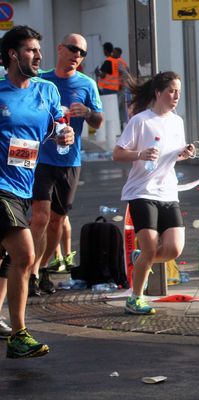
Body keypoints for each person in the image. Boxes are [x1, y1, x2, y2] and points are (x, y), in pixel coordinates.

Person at [0, 25, 74, 358]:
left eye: (39, 50)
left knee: (6, 261)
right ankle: (19, 335)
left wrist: (64, 134)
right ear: (13, 54)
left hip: (22, 187)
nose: (38, 56)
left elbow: (58, 126)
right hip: (0, 188)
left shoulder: (47, 91)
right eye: (31, 50)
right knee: (24, 255)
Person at [113, 71, 194, 315]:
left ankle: (141, 260)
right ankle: (135, 298)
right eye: (171, 91)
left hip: (168, 191)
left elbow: (173, 154)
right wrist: (140, 154)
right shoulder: (141, 121)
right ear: (158, 93)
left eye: (179, 92)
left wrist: (184, 153)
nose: (176, 96)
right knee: (149, 247)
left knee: (174, 249)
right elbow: (117, 153)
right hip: (142, 191)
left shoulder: (177, 121)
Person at [29, 33, 104, 296]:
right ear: (60, 48)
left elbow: (98, 122)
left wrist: (88, 113)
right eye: (73, 49)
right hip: (41, 158)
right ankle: (30, 272)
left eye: (82, 53)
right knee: (40, 216)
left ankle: (43, 268)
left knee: (57, 221)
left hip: (70, 161)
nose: (77, 55)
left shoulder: (87, 84)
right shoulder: (41, 80)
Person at [112, 46, 130, 129]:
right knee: (122, 107)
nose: (113, 54)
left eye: (114, 52)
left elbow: (123, 73)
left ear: (118, 53)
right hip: (124, 87)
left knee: (117, 106)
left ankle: (119, 125)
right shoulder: (122, 61)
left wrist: (121, 84)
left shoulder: (119, 62)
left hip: (122, 88)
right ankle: (123, 124)